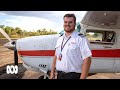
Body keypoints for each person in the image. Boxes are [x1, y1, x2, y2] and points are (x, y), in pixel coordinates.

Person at [50, 13, 92, 79]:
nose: (67, 24)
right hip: (60, 75)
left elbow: (87, 59)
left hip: (73, 76)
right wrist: (52, 73)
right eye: (65, 22)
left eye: (70, 22)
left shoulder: (81, 39)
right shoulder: (60, 39)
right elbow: (56, 56)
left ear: (75, 23)